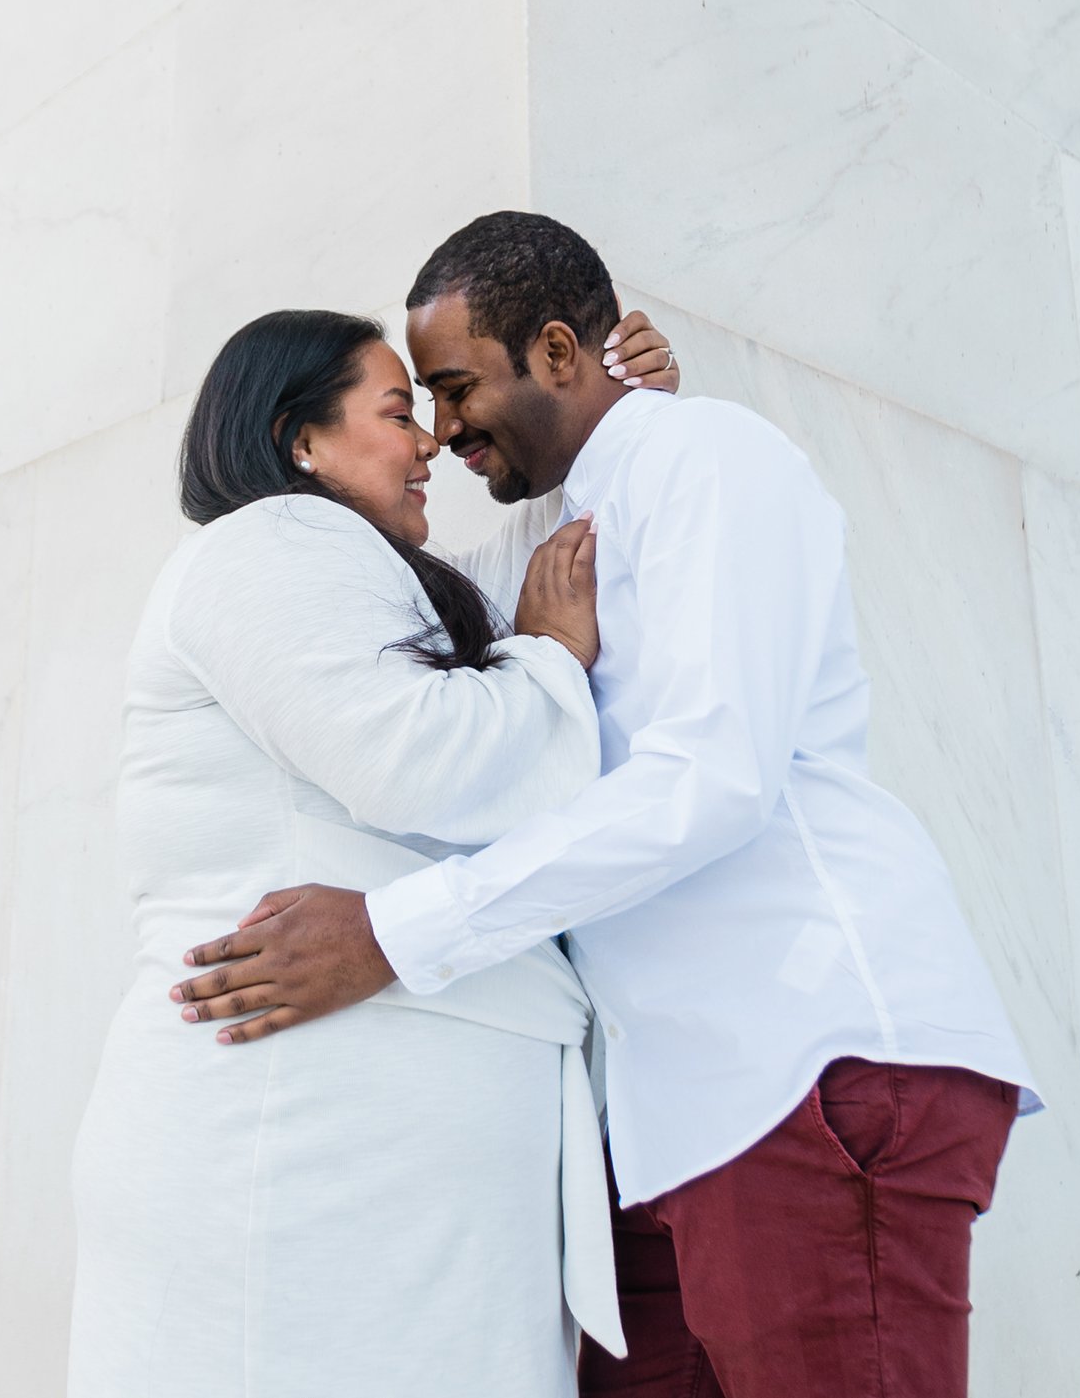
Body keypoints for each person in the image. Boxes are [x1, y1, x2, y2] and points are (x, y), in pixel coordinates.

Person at [172, 213, 1037, 1398]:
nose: (441, 426)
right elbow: (424, 637)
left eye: (456, 385)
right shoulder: (560, 526)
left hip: (810, 1066)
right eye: (415, 403)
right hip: (666, 1119)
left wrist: (393, 932)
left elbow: (711, 779)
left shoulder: (709, 460)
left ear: (562, 352)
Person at [67, 297, 681, 1398]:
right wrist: (546, 659)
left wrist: (621, 415)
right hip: (308, 1144)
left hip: (370, 1157)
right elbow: (428, 759)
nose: (430, 439)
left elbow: (554, 562)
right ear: (296, 439)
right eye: (399, 410)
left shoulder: (358, 573)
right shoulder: (268, 545)